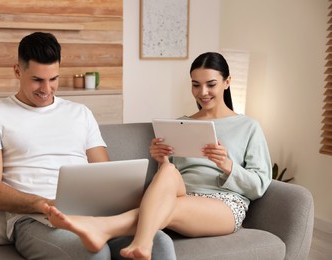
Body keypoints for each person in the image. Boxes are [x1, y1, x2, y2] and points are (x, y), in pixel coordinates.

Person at [43, 52, 273, 260]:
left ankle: (123, 235)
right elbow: (172, 178)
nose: (202, 92)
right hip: (183, 194)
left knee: (166, 207)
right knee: (167, 171)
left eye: (210, 84)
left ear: (227, 82)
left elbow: (260, 184)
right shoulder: (182, 123)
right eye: (196, 85)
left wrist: (227, 164)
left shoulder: (248, 126)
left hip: (223, 203)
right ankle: (111, 232)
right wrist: (162, 160)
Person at [0, 32, 176, 260]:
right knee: (94, 254)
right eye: (37, 80)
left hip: (94, 215)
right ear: (18, 71)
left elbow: (104, 173)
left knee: (160, 243)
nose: (46, 89)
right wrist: (42, 203)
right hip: (34, 219)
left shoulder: (80, 113)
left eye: (53, 79)